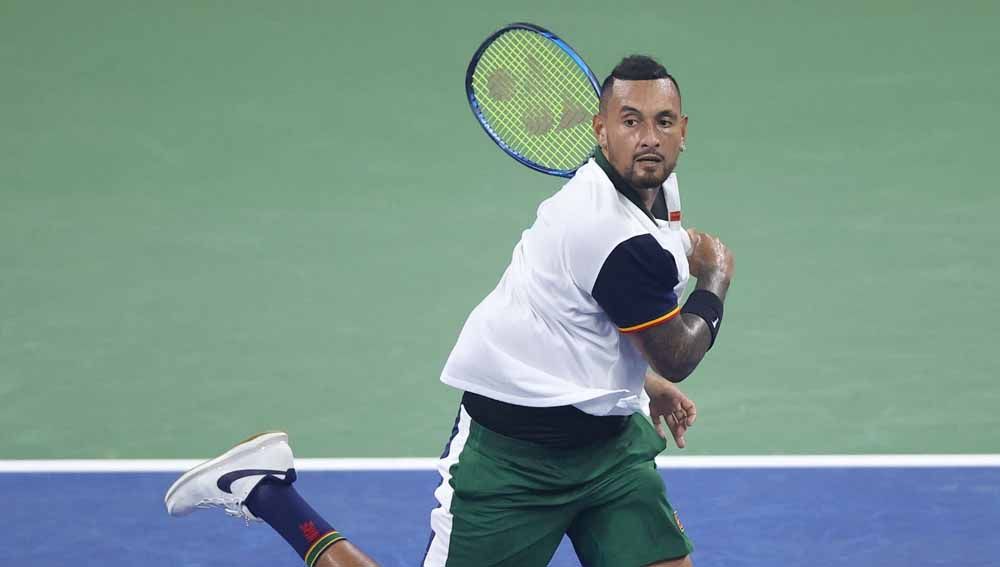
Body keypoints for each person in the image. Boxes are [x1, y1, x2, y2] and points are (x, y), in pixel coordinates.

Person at [165, 54, 734, 567]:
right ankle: (266, 491)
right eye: (630, 120)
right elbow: (678, 351)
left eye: (663, 121)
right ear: (600, 130)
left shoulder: (655, 193)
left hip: (609, 452)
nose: (648, 137)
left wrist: (641, 382)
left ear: (683, 131)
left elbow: (590, 314)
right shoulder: (608, 233)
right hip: (515, 461)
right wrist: (713, 278)